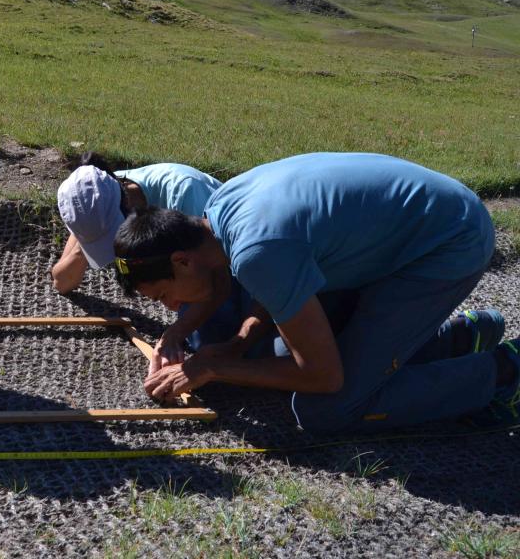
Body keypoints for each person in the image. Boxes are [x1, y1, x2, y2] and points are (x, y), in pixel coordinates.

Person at [112, 152, 519, 433]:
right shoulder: (220, 211)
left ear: (182, 260)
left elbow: (323, 376)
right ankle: (457, 340)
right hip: (410, 229)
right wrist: (238, 343)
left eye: (163, 295)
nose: (173, 307)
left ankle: (503, 371)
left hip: (448, 243)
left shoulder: (256, 250)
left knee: (330, 408)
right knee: (286, 354)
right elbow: (272, 286)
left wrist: (213, 367)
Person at [53, 153, 266, 367]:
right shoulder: (93, 203)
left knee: (242, 344)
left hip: (240, 267)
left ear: (125, 200)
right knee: (207, 342)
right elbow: (62, 282)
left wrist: (173, 334)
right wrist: (89, 242)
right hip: (194, 277)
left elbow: (220, 282)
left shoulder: (184, 191)